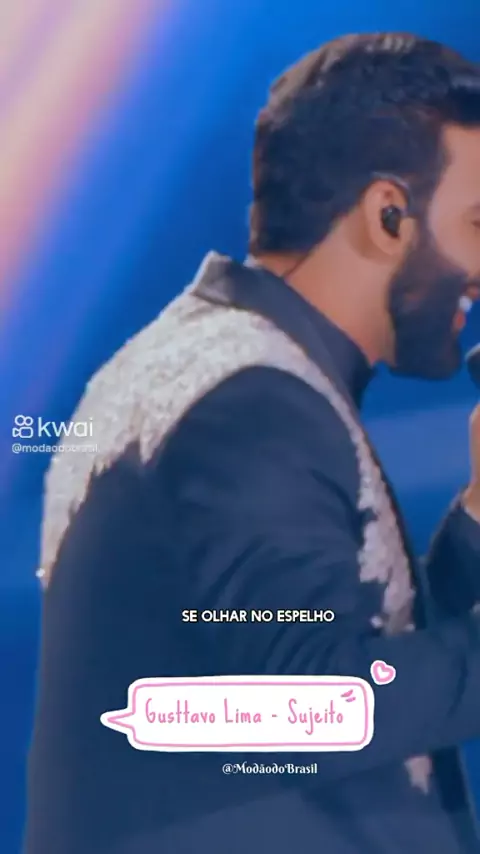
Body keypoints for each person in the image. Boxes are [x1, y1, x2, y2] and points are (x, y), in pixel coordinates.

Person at [25, 32, 480, 854]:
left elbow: (342, 650)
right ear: (388, 216)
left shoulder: (232, 362)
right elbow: (309, 709)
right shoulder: (251, 402)